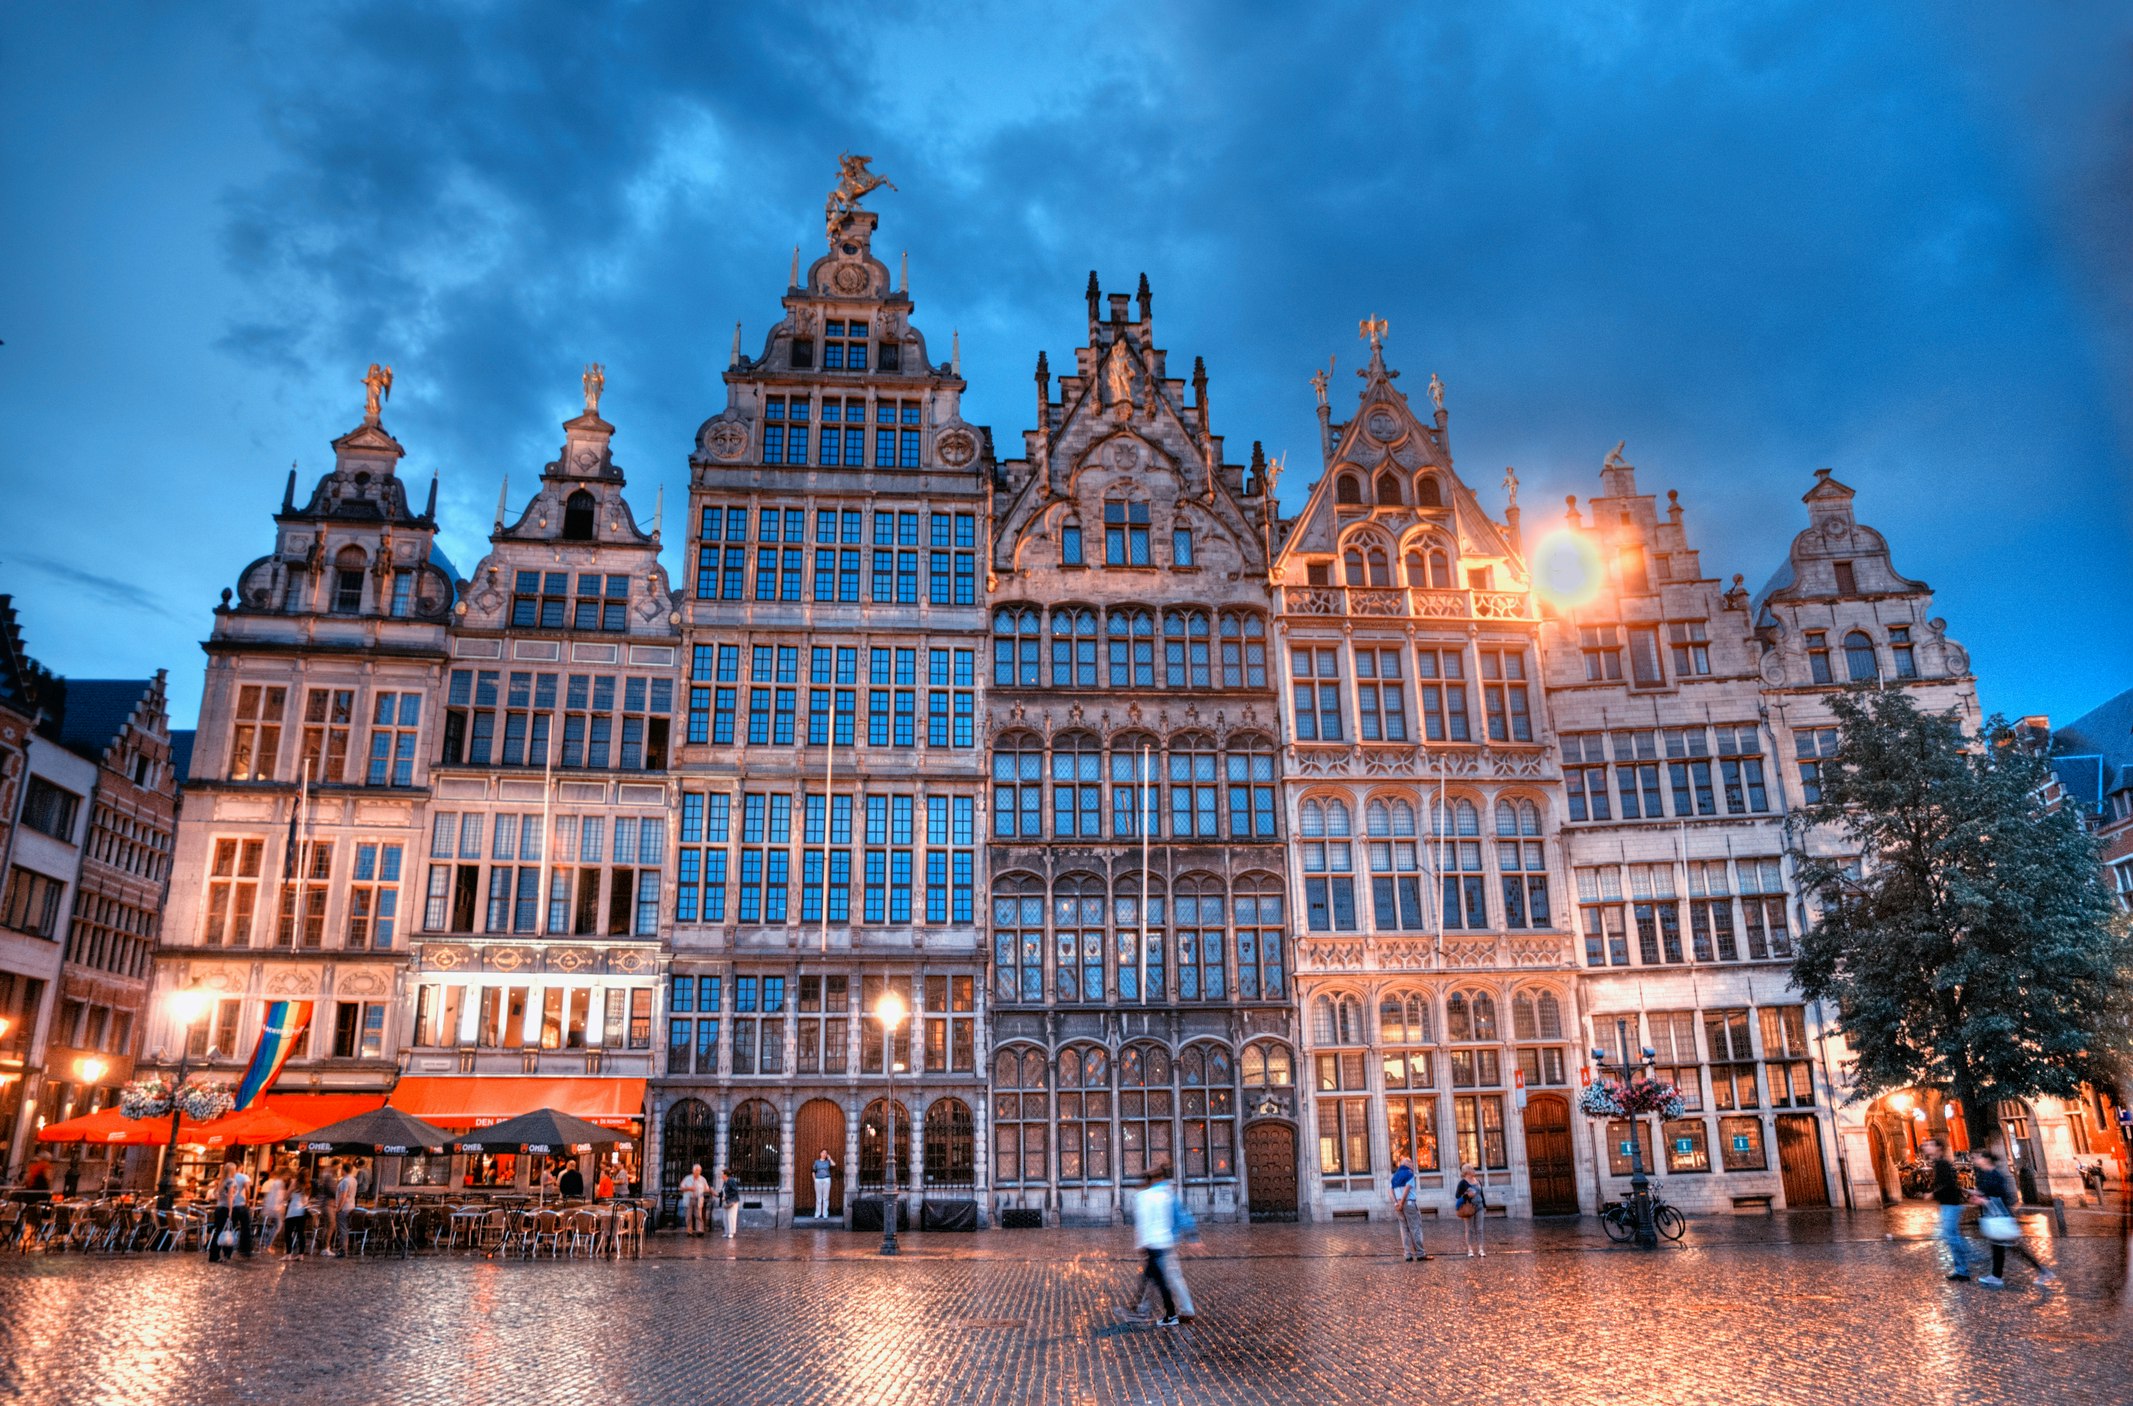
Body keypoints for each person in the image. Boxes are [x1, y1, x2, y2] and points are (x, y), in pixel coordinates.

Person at [1971, 1149, 2057, 1289]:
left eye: (1977, 1158)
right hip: (1996, 1218)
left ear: (1985, 1159)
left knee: (2015, 1249)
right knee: (1999, 1248)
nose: (1975, 1160)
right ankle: (1996, 1276)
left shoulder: (1994, 1175)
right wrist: (1978, 1195)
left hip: (2001, 1218)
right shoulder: (1987, 1174)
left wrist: (1983, 1200)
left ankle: (2043, 1271)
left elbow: (2003, 1197)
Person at [1126, 1166, 1181, 1326]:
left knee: (1159, 1280)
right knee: (1148, 1276)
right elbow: (1171, 1218)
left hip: (1152, 1242)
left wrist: (1140, 1244)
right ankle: (1136, 1307)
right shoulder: (1165, 1195)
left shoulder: (1144, 1197)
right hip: (1163, 1240)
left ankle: (1169, 1314)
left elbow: (1143, 1222)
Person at [1924, 1139, 1971, 1281]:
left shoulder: (1942, 1164)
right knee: (1951, 1235)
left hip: (1951, 1204)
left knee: (1952, 1237)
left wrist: (1932, 1194)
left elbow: (1947, 1184)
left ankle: (1970, 1258)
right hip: (1947, 1203)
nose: (1926, 1147)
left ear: (1938, 1148)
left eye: (1930, 1145)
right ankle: (1961, 1270)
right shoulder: (1938, 1163)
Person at [207, 1159, 253, 1263]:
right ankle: (224, 1254)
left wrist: (222, 1198)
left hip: (219, 1208)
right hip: (226, 1208)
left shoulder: (222, 1181)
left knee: (218, 1232)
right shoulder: (231, 1181)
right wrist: (230, 1210)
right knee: (226, 1231)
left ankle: (213, 1255)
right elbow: (230, 1197)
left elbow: (216, 1194)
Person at [1390, 1154, 1430, 1262]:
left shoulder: (1395, 1176)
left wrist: (1396, 1203)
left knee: (1404, 1229)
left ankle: (1407, 1254)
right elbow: (1407, 1189)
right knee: (1415, 1228)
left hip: (1398, 1204)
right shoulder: (1409, 1174)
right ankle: (1420, 1253)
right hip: (1409, 1203)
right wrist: (1402, 1202)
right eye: (1411, 1162)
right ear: (1407, 1164)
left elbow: (1390, 1191)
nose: (1413, 1165)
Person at [1455, 1166, 1487, 1257]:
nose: (1474, 1171)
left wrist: (1484, 1206)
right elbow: (1457, 1196)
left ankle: (1481, 1249)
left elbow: (1482, 1194)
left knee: (1480, 1229)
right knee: (1469, 1229)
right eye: (1472, 1169)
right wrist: (1467, 1196)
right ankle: (1470, 1249)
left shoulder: (1478, 1181)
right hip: (1469, 1208)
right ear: (1467, 1171)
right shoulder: (1462, 1183)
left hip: (1479, 1206)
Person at [328, 1160, 358, 1257]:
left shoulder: (345, 1181)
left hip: (344, 1208)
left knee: (342, 1229)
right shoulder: (353, 1180)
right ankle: (344, 1248)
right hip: (351, 1206)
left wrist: (338, 1208)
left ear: (343, 1170)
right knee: (345, 1228)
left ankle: (343, 1249)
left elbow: (343, 1196)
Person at [260, 1164, 289, 1254]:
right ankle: (268, 1244)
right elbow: (277, 1197)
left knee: (276, 1226)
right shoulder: (279, 1183)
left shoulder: (277, 1182)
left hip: (274, 1207)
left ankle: (268, 1243)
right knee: (278, 1226)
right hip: (276, 1208)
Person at [282, 1174, 311, 1260]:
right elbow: (306, 1200)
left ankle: (288, 1254)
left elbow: (286, 1197)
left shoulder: (294, 1184)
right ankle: (301, 1254)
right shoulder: (308, 1185)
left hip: (292, 1212)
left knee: (288, 1233)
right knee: (301, 1233)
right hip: (302, 1212)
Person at [679, 1163, 710, 1235]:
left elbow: (707, 1189)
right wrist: (688, 1188)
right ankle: (689, 1231)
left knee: (698, 1215)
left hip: (698, 1199)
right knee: (688, 1216)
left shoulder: (702, 1179)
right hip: (689, 1199)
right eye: (696, 1170)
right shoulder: (687, 1178)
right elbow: (681, 1188)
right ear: (693, 1171)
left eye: (699, 1171)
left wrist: (704, 1190)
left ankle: (700, 1230)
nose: (697, 1172)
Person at [811, 1149, 836, 1219]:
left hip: (826, 1179)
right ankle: (817, 1213)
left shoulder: (828, 1162)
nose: (824, 1154)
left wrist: (830, 1158)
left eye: (826, 1153)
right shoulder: (816, 1162)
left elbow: (834, 1164)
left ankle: (825, 1213)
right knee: (818, 1197)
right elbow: (813, 1171)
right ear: (820, 1153)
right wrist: (815, 1180)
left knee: (825, 1197)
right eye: (823, 1153)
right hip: (818, 1180)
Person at [719, 1169, 742, 1238]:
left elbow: (735, 1191)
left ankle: (731, 1232)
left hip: (732, 1201)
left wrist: (726, 1197)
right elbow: (723, 1191)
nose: (721, 1175)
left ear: (725, 1175)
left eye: (722, 1174)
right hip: (726, 1202)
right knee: (725, 1217)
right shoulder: (725, 1182)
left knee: (731, 1217)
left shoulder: (731, 1180)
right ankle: (727, 1232)